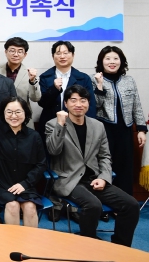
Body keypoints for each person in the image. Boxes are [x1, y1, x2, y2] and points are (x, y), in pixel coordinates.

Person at [46, 85, 139, 247]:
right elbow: (53, 151)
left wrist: (104, 178)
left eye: (83, 100)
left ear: (88, 103)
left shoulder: (97, 126)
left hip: (94, 179)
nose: (78, 104)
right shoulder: (53, 124)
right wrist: (61, 125)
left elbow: (105, 156)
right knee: (93, 205)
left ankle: (120, 247)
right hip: (69, 180)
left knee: (131, 205)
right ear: (66, 104)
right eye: (73, 100)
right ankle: (88, 245)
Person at [0, 97, 46, 228]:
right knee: (12, 205)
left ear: (25, 113)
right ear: (3, 113)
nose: (13, 116)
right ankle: (13, 241)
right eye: (9, 112)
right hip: (2, 183)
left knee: (30, 207)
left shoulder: (34, 136)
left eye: (18, 112)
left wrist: (25, 184)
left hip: (26, 183)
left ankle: (30, 241)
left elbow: (41, 164)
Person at [91, 46, 146, 195]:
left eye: (116, 58)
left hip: (125, 129)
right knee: (105, 166)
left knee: (125, 167)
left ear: (121, 61)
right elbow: (95, 106)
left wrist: (141, 129)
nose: (112, 62)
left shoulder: (129, 80)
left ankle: (124, 201)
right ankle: (106, 200)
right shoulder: (93, 79)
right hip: (104, 130)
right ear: (101, 61)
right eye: (108, 59)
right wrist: (100, 85)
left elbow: (136, 105)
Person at [38, 40, 96, 141]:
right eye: (58, 53)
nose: (62, 56)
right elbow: (42, 103)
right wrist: (54, 89)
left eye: (66, 53)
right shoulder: (45, 77)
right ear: (53, 56)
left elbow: (90, 105)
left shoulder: (83, 78)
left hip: (77, 124)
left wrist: (88, 126)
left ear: (73, 55)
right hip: (51, 123)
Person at [0, 37, 41, 112]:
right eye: (12, 51)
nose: (16, 54)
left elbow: (35, 99)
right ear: (6, 52)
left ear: (25, 55)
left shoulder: (30, 73)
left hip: (22, 115)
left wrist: (32, 81)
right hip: (0, 114)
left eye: (20, 51)